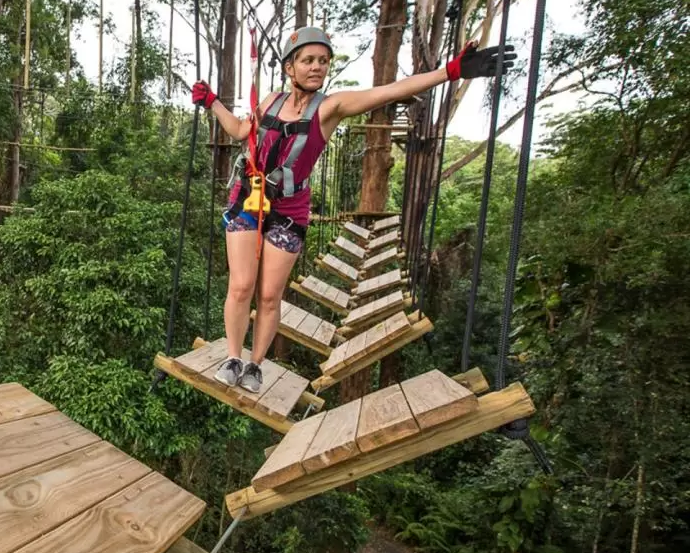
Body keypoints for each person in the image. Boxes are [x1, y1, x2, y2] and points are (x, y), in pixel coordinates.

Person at [191, 27, 514, 393]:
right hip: (248, 196)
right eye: (308, 60)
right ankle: (234, 356)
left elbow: (388, 91)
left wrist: (450, 72)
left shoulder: (331, 108)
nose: (317, 68)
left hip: (290, 207)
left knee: (268, 295)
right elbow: (238, 130)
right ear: (289, 66)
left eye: (323, 61)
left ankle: (254, 366)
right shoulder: (269, 101)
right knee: (241, 285)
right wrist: (213, 102)